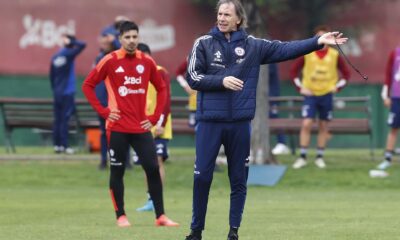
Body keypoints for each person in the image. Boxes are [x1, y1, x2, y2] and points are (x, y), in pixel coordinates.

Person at [183, 1, 348, 239]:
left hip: (240, 124)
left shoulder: (253, 46)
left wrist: (317, 42)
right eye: (219, 13)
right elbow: (193, 77)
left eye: (227, 14)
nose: (221, 18)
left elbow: (285, 49)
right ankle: (196, 231)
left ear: (239, 19)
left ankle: (233, 232)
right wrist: (221, 81)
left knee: (239, 180)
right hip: (210, 122)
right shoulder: (203, 43)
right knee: (203, 177)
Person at [82, 21, 179, 227]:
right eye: (127, 37)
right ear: (120, 39)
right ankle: (121, 216)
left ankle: (160, 216)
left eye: (135, 37)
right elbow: (88, 85)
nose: (132, 40)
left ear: (139, 38)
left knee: (152, 168)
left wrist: (153, 118)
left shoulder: (147, 62)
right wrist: (104, 112)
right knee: (117, 171)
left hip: (140, 127)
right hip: (116, 128)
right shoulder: (109, 61)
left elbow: (162, 89)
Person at [290, 25, 350, 169]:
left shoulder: (335, 55)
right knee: (306, 124)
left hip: (326, 94)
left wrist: (337, 87)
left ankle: (319, 156)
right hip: (310, 94)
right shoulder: (307, 53)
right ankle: (303, 156)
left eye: (325, 35)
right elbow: (293, 72)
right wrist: (301, 88)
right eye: (319, 36)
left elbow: (346, 75)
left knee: (324, 126)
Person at [135, 43, 173, 212]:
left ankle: (157, 199)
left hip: (159, 125)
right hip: (141, 125)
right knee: (147, 163)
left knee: (157, 162)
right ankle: (151, 198)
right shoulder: (134, 74)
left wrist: (160, 123)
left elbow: (166, 99)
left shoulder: (160, 71)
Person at [95, 25, 131, 170]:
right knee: (104, 133)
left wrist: (115, 40)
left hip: (120, 102)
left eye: (107, 38)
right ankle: (104, 160)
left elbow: (125, 52)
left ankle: (126, 161)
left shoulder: (120, 56)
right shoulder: (100, 57)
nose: (104, 40)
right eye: (103, 37)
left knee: (124, 132)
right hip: (103, 102)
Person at [50, 34, 86, 154]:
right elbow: (83, 45)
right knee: (65, 119)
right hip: (67, 92)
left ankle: (57, 145)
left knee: (58, 119)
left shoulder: (55, 57)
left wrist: (55, 90)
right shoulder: (69, 54)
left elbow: (52, 77)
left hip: (57, 92)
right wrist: (73, 41)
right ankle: (65, 146)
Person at [376, 46, 400, 170]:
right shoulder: (395, 52)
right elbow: (388, 74)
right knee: (393, 128)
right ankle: (387, 159)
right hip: (397, 96)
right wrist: (385, 95)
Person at [268, 63, 290, 155]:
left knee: (274, 117)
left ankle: (282, 143)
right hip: (263, 96)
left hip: (272, 96)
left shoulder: (270, 63)